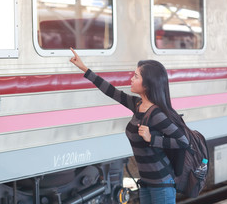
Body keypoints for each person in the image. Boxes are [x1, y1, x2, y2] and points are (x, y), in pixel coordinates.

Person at [69, 48, 189, 204]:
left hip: (162, 184)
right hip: (146, 183)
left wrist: (152, 139)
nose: (131, 79)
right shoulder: (137, 104)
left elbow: (183, 141)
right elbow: (111, 91)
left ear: (147, 84)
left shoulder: (156, 114)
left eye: (136, 76)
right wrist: (85, 69)